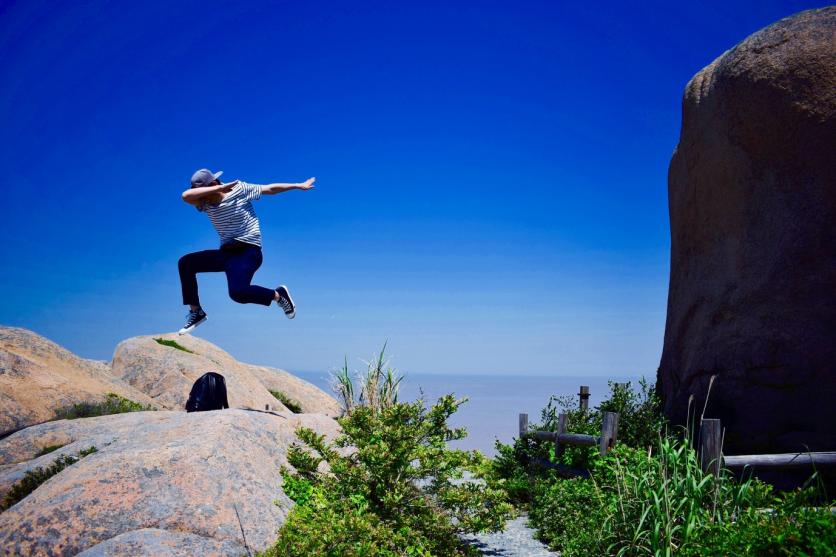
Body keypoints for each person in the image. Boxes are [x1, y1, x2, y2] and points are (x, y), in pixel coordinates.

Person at [177, 168, 315, 335]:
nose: (199, 196)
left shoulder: (239, 189)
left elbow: (269, 189)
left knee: (238, 293)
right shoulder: (204, 202)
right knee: (186, 263)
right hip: (226, 254)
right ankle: (196, 312)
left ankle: (278, 295)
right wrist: (217, 189)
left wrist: (297, 185)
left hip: (248, 251)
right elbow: (185, 196)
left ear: (213, 183)